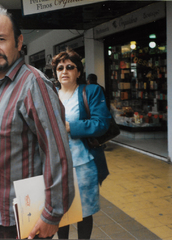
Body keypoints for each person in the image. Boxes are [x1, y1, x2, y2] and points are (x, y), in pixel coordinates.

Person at [0, 3, 75, 239]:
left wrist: (52, 214)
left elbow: (57, 151)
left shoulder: (33, 84)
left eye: (1, 39)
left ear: (18, 43)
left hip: (25, 215)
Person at [51, 49, 112, 239]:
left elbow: (101, 123)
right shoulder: (51, 94)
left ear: (78, 72)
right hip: (57, 165)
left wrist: (71, 127)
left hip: (83, 164)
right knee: (61, 213)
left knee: (84, 213)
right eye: (60, 68)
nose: (64, 71)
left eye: (70, 67)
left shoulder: (90, 91)